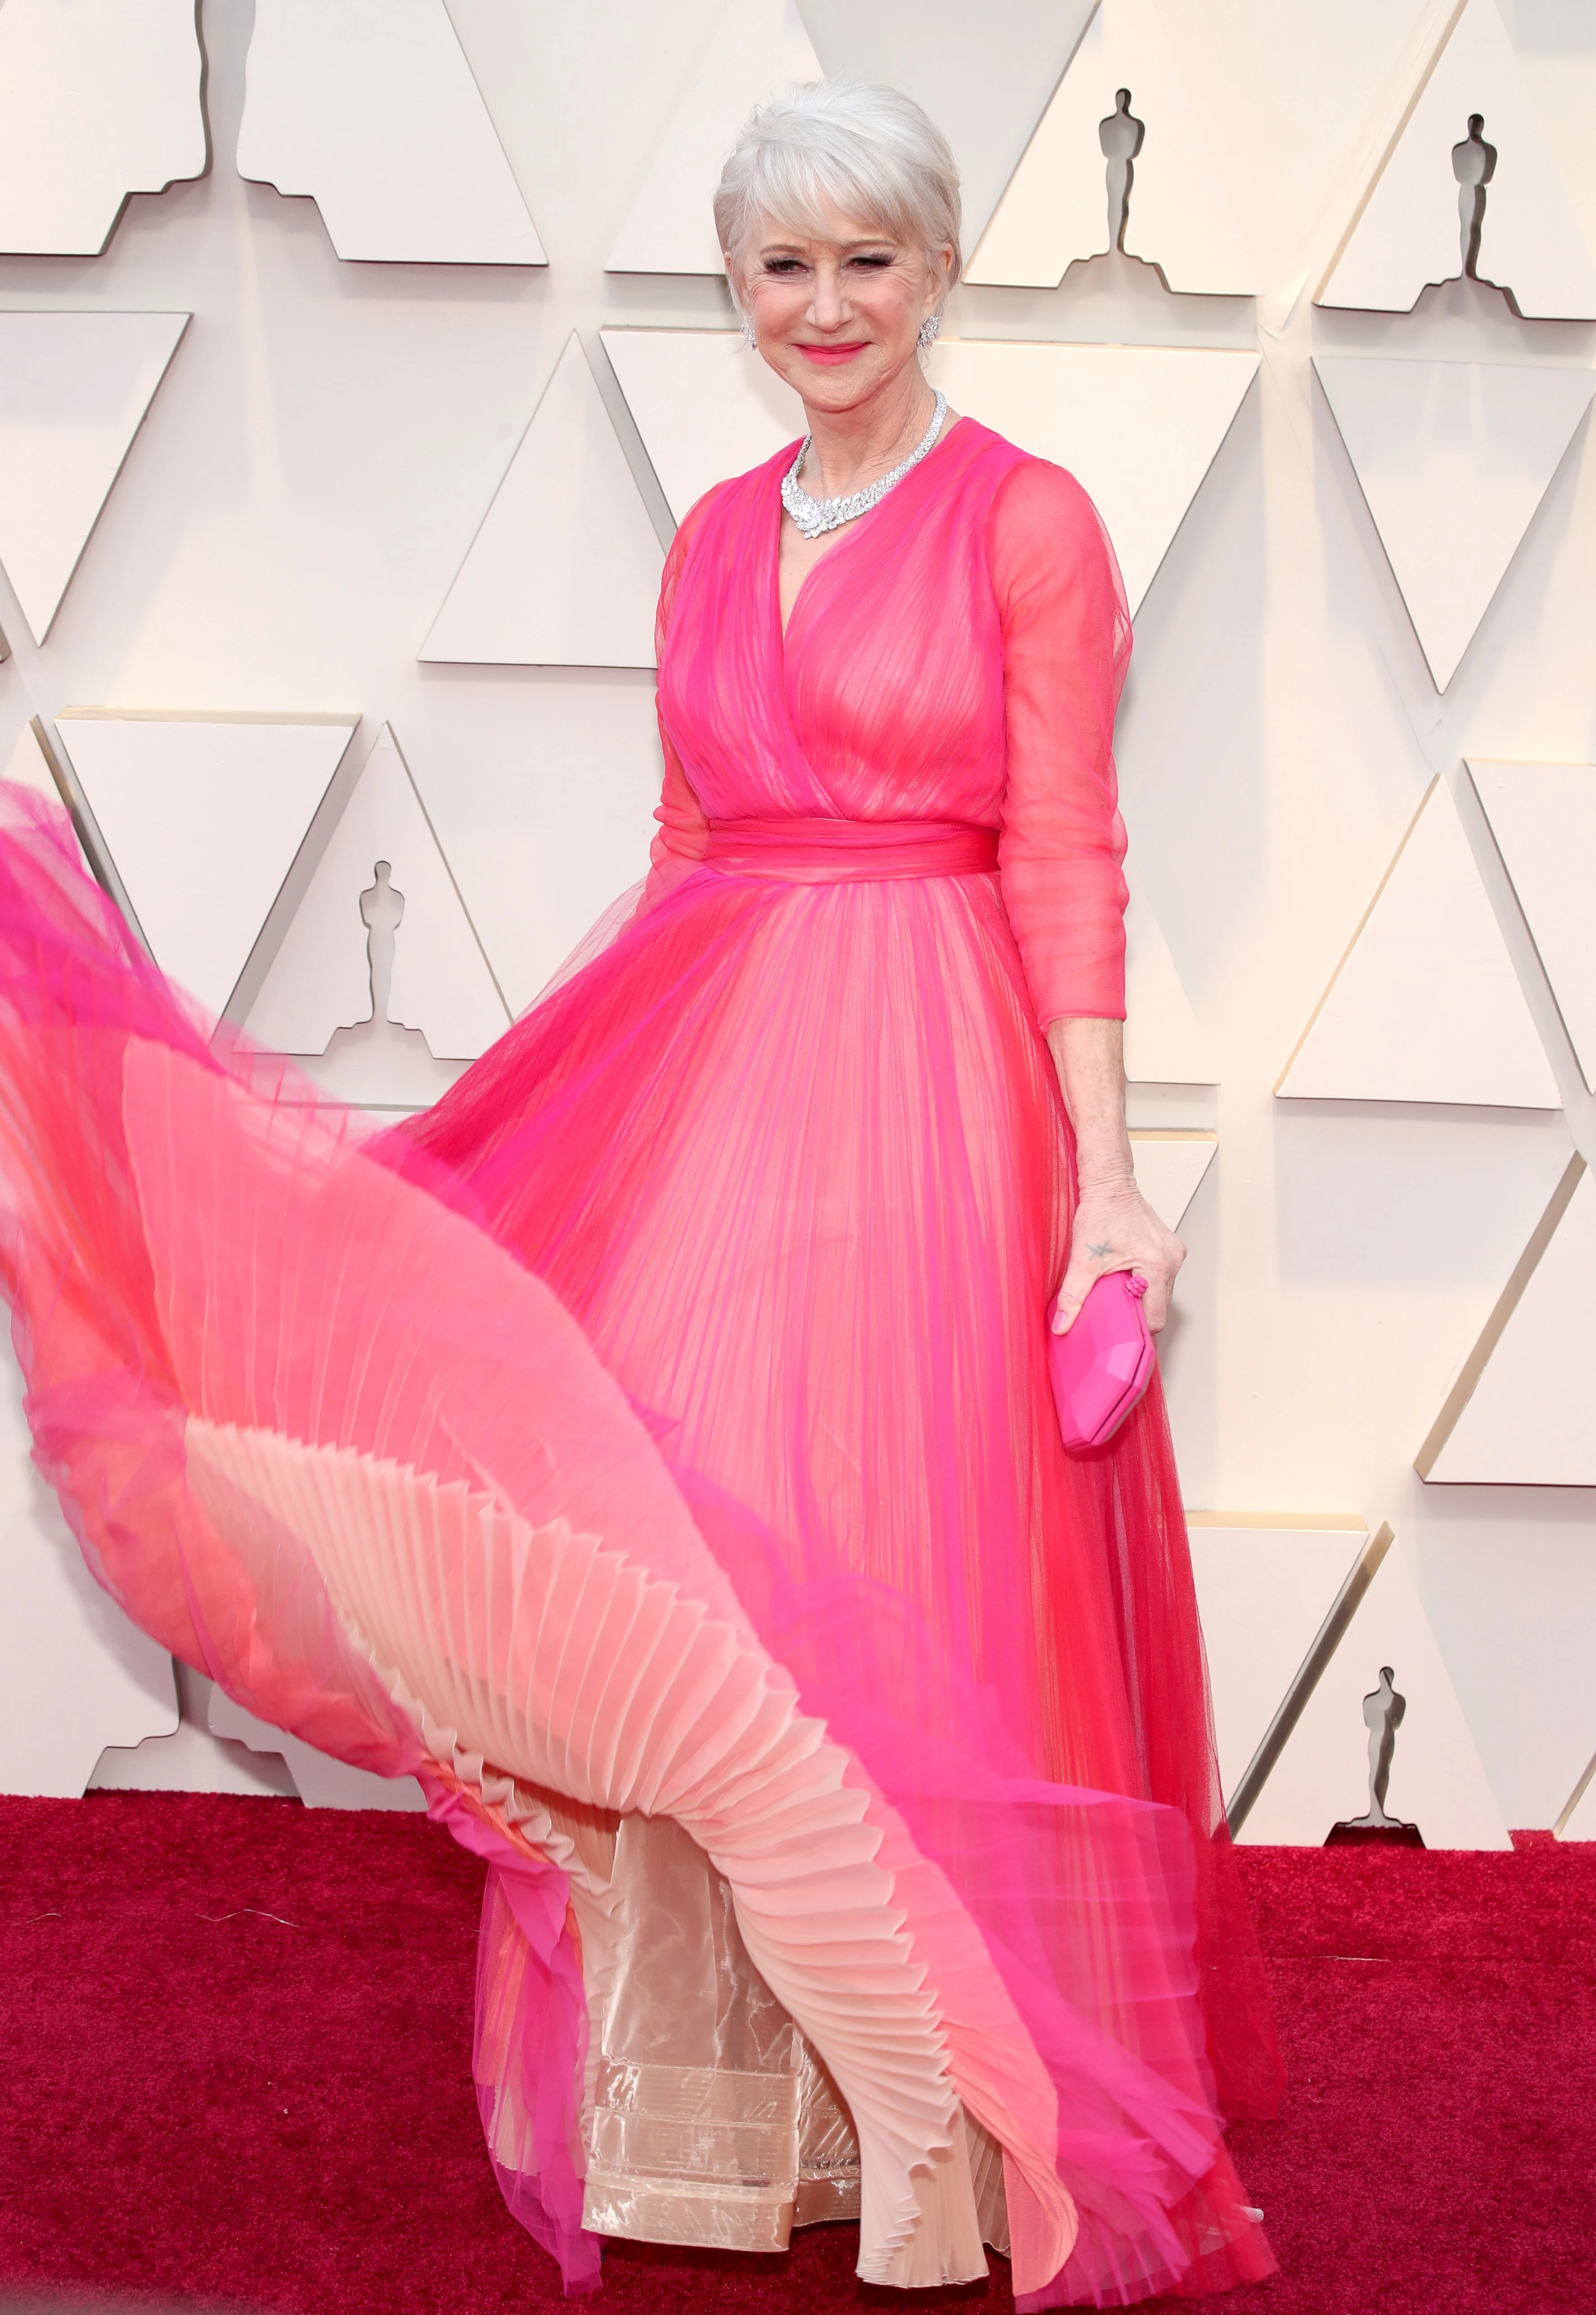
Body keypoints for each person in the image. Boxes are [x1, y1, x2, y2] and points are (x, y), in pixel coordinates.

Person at [0, 79, 1279, 2310]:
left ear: (939, 269)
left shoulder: (1031, 522)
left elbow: (1069, 851)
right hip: (719, 1079)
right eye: (784, 266)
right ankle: (726, 2127)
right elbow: (684, 856)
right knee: (695, 1572)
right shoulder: (709, 538)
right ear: (735, 288)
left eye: (867, 258)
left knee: (909, 1557)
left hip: (937, 1087)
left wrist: (1113, 1182)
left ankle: (947, 2124)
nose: (826, 304)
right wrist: (559, 1111)